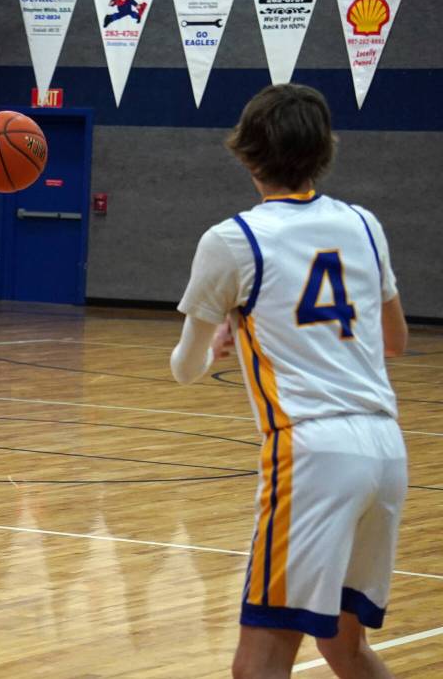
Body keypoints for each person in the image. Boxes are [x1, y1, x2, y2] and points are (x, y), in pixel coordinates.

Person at [169, 84, 408, 678]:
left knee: (259, 665)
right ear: (324, 149)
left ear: (247, 153)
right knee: (345, 650)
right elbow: (396, 340)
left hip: (313, 455)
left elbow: (184, 368)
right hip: (387, 451)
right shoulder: (364, 224)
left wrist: (222, 343)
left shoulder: (232, 240)